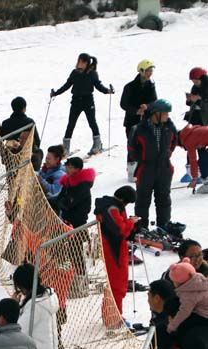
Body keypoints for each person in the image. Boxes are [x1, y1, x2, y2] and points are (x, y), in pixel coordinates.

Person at [51, 53, 115, 156]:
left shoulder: (92, 73)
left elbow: (98, 86)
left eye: (82, 62)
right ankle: (66, 148)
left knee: (92, 122)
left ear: (87, 63)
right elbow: (67, 85)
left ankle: (97, 144)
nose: (80, 63)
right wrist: (56, 93)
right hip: (76, 101)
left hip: (88, 101)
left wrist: (108, 91)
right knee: (71, 124)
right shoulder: (74, 73)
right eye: (79, 61)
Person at [129, 99, 178, 230]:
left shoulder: (169, 127)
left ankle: (164, 228)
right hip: (146, 169)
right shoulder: (139, 129)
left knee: (164, 201)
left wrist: (165, 156)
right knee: (142, 202)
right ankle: (141, 229)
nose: (167, 116)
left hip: (164, 169)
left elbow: (173, 143)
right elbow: (132, 150)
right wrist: (144, 159)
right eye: (165, 113)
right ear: (156, 114)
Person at [94, 186, 139, 328]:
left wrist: (130, 224)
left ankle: (112, 315)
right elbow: (120, 230)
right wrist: (131, 222)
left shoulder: (111, 205)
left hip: (115, 249)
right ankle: (113, 318)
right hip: (114, 251)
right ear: (124, 199)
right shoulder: (112, 208)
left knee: (115, 285)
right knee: (117, 286)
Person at [167, 259, 208, 335]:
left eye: (174, 281)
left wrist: (172, 326)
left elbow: (184, 312)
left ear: (179, 282)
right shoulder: (198, 278)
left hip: (205, 317)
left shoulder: (189, 295)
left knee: (184, 324)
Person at [1, 96, 43, 171]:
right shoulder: (29, 122)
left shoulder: (5, 123)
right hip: (26, 155)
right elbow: (37, 141)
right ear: (24, 108)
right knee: (39, 152)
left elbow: (2, 140)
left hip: (10, 157)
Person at [57, 157, 95, 227]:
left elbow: (69, 202)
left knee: (80, 234)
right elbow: (59, 197)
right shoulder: (67, 181)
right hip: (66, 219)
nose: (67, 169)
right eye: (67, 167)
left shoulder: (83, 185)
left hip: (78, 221)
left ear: (77, 169)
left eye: (70, 167)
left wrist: (62, 202)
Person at [179, 124, 208, 193]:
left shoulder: (188, 141)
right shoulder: (191, 132)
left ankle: (206, 183)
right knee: (203, 157)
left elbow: (193, 161)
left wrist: (194, 179)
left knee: (202, 161)